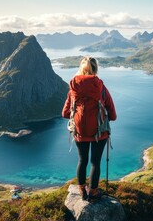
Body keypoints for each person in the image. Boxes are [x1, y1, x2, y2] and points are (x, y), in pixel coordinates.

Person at [62, 56, 117, 201]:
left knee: (82, 160)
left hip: (79, 132)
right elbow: (113, 114)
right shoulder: (101, 88)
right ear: (95, 69)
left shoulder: (73, 88)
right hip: (100, 132)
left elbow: (65, 113)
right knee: (95, 162)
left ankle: (81, 190)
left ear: (81, 69)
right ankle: (93, 191)